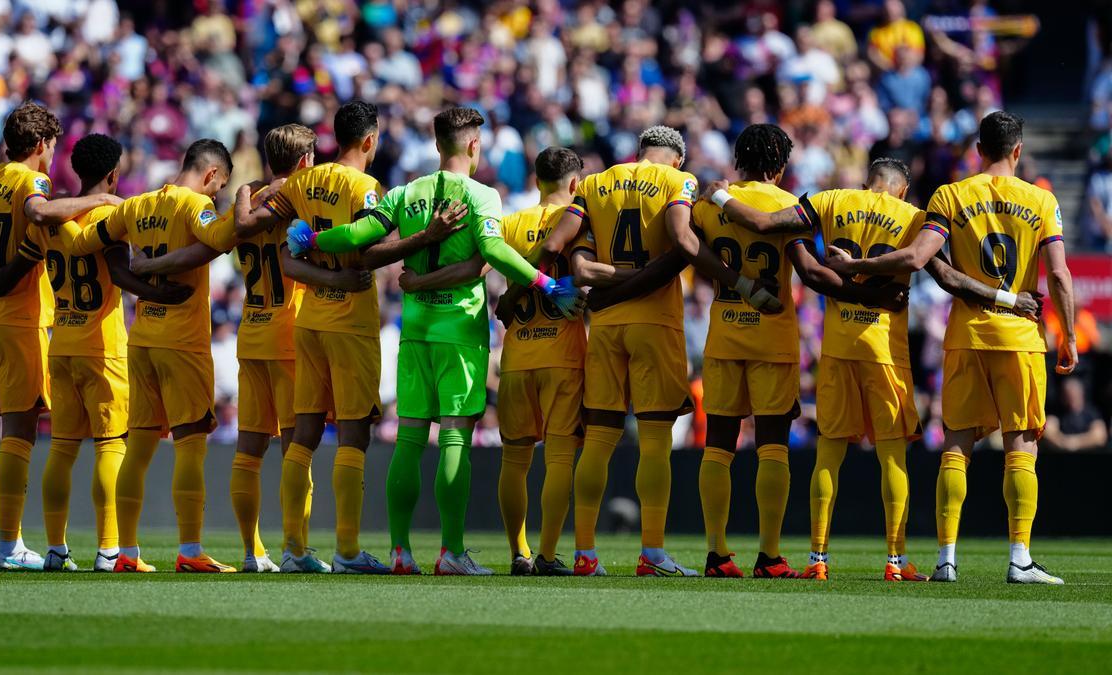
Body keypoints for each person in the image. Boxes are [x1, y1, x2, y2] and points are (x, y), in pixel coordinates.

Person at [712, 157, 1045, 581]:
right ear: (902, 189)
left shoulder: (831, 200)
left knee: (828, 453)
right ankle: (894, 560)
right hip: (885, 350)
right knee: (892, 455)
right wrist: (1011, 300)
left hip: (836, 346)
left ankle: (817, 559)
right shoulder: (914, 217)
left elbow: (764, 223)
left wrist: (719, 193)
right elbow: (946, 277)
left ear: (867, 182)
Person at [288, 107, 578, 575]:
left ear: (437, 144)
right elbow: (492, 250)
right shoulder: (482, 194)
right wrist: (545, 284)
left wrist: (314, 240)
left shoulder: (406, 191)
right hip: (459, 332)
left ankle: (400, 552)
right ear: (474, 146)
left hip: (415, 330)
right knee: (454, 438)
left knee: (408, 439)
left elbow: (361, 234)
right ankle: (451, 552)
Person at [825, 111, 1077, 584]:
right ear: (1017, 151)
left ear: (978, 150)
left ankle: (946, 559)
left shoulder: (950, 194)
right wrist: (1069, 336)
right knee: (1020, 446)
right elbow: (1059, 274)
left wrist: (856, 263)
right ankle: (1019, 558)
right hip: (1020, 337)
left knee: (956, 446)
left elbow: (921, 260)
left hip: (964, 335)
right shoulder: (1042, 199)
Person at [532, 126, 774, 577]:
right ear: (677, 160)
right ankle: (652, 554)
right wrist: (741, 283)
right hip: (655, 324)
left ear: (638, 151)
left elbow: (562, 252)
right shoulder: (678, 183)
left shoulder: (594, 183)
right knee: (656, 443)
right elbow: (684, 244)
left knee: (599, 441)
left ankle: (585, 554)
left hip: (604, 326)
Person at [0, 134, 193, 571]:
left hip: (61, 343)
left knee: (62, 450)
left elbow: (14, 271)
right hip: (102, 347)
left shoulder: (50, 218)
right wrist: (157, 294)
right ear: (112, 173)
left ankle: (55, 549)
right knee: (111, 445)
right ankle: (109, 549)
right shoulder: (109, 213)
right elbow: (121, 276)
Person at [231, 103, 441, 574]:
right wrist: (423, 238)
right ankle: (347, 550)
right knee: (352, 434)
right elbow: (365, 257)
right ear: (369, 140)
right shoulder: (366, 188)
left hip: (308, 323)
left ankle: (292, 548)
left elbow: (286, 259)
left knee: (301, 434)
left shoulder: (303, 183)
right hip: (349, 325)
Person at [692, 125, 907, 580]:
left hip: (723, 335)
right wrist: (869, 296)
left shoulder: (709, 206)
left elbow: (690, 250)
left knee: (718, 448)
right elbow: (811, 273)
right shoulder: (787, 206)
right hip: (772, 338)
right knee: (772, 447)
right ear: (779, 165)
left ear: (739, 160)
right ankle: (769, 556)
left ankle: (716, 554)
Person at [0, 102, 120, 570]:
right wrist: (97, 200)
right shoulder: (30, 181)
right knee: (17, 431)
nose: (52, 157)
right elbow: (39, 211)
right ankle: (10, 545)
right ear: (39, 145)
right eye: (51, 147)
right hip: (19, 321)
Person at [133, 123, 321, 573]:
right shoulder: (299, 201)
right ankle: (296, 550)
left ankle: (253, 552)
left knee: (250, 449)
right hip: (287, 334)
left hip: (250, 331)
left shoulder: (249, 201)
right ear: (303, 162)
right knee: (296, 449)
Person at [403, 147, 589, 576]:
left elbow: (472, 269)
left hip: (518, 356)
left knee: (516, 460)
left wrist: (419, 282)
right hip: (563, 355)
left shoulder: (508, 223)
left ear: (537, 179)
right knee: (559, 458)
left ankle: (518, 553)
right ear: (575, 184)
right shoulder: (580, 220)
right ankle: (545, 555)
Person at [69, 138, 236, 573]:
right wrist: (245, 201)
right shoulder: (193, 206)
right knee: (191, 447)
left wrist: (134, 271)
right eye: (219, 188)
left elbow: (87, 240)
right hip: (183, 342)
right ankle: (191, 550)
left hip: (140, 340)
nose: (215, 196)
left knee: (138, 449)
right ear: (212, 175)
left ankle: (125, 552)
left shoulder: (136, 205)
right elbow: (221, 237)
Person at [1043, 378, 1108, 453]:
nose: (1071, 398)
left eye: (1074, 394)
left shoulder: (1091, 412)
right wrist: (1064, 442)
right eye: (1067, 395)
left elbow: (1100, 436)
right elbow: (1048, 432)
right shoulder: (1057, 411)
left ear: (1081, 394)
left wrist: (1076, 442)